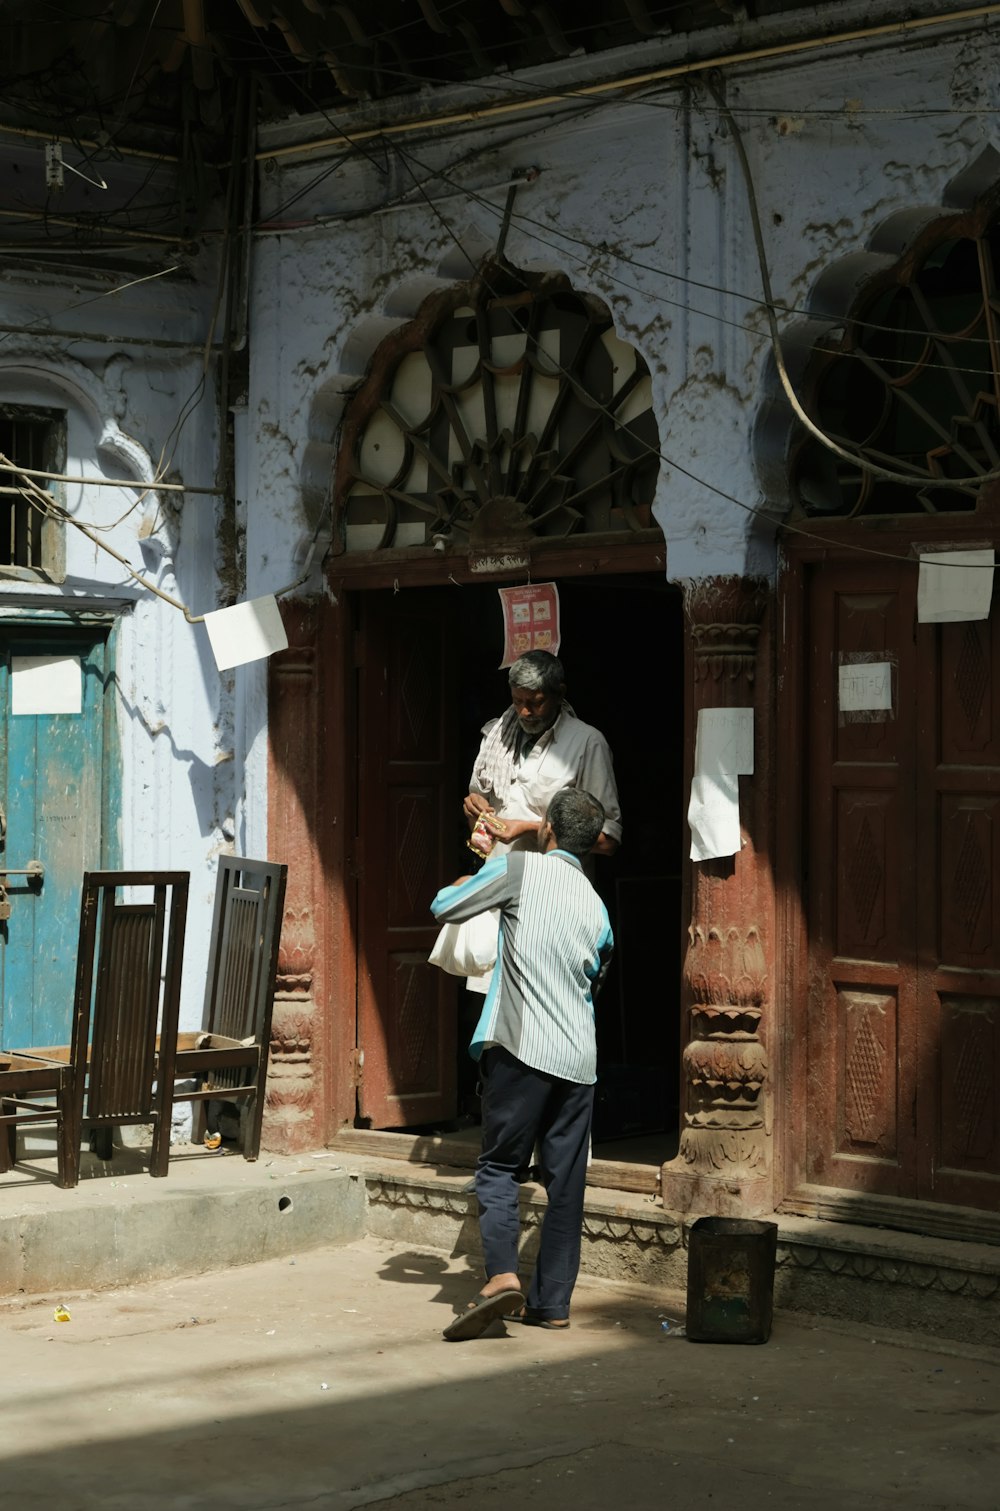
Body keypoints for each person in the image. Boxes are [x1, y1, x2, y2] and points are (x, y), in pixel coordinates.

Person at [430, 787, 614, 1341]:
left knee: (499, 1167)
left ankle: (503, 1276)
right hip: (579, 1058)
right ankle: (552, 1303)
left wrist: (467, 881)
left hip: (520, 1048)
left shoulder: (520, 870)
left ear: (549, 830)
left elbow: (444, 908)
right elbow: (598, 972)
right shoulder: (597, 905)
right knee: (566, 1184)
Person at [464, 650, 622, 863]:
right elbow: (478, 815)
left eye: (535, 702)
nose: (524, 712)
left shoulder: (587, 743)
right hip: (498, 879)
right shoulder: (496, 736)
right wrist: (474, 810)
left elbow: (607, 841)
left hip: (553, 886)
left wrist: (529, 829)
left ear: (559, 694)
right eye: (517, 701)